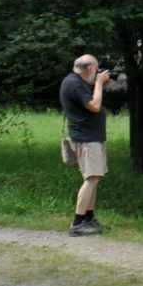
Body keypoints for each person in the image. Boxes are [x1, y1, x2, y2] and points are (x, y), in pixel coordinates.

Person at [60, 55, 111, 236]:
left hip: (90, 137)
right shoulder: (74, 84)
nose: (98, 72)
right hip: (86, 139)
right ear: (89, 70)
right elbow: (94, 106)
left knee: (93, 178)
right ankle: (77, 223)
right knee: (91, 179)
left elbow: (89, 100)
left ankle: (88, 219)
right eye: (96, 69)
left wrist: (99, 85)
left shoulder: (75, 82)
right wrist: (98, 83)